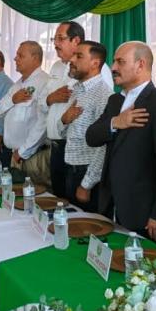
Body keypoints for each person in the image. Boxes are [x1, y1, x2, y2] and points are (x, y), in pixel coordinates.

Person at [86, 41, 156, 250]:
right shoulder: (114, 101)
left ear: (140, 65)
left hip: (145, 214)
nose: (112, 68)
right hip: (112, 206)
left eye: (120, 62)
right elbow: (92, 137)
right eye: (113, 62)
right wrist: (116, 122)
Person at [40, 22, 113, 197]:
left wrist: (87, 183)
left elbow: (103, 140)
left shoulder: (102, 87)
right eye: (54, 38)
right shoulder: (73, 84)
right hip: (64, 153)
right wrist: (61, 115)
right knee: (63, 208)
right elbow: (52, 114)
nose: (55, 43)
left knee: (85, 220)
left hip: (86, 164)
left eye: (60, 38)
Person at [56, 41, 112, 212]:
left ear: (95, 63)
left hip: (88, 175)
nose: (72, 59)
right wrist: (64, 120)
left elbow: (104, 145)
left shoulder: (104, 94)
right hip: (70, 168)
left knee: (88, 230)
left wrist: (86, 184)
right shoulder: (78, 89)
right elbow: (63, 131)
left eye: (79, 56)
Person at [0, 41, 51, 187]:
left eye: (20, 55)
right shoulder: (17, 84)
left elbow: (43, 124)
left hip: (33, 157)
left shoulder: (45, 82)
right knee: (17, 201)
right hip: (16, 155)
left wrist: (23, 151)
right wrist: (13, 100)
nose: (15, 59)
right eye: (16, 55)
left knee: (38, 201)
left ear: (35, 58)